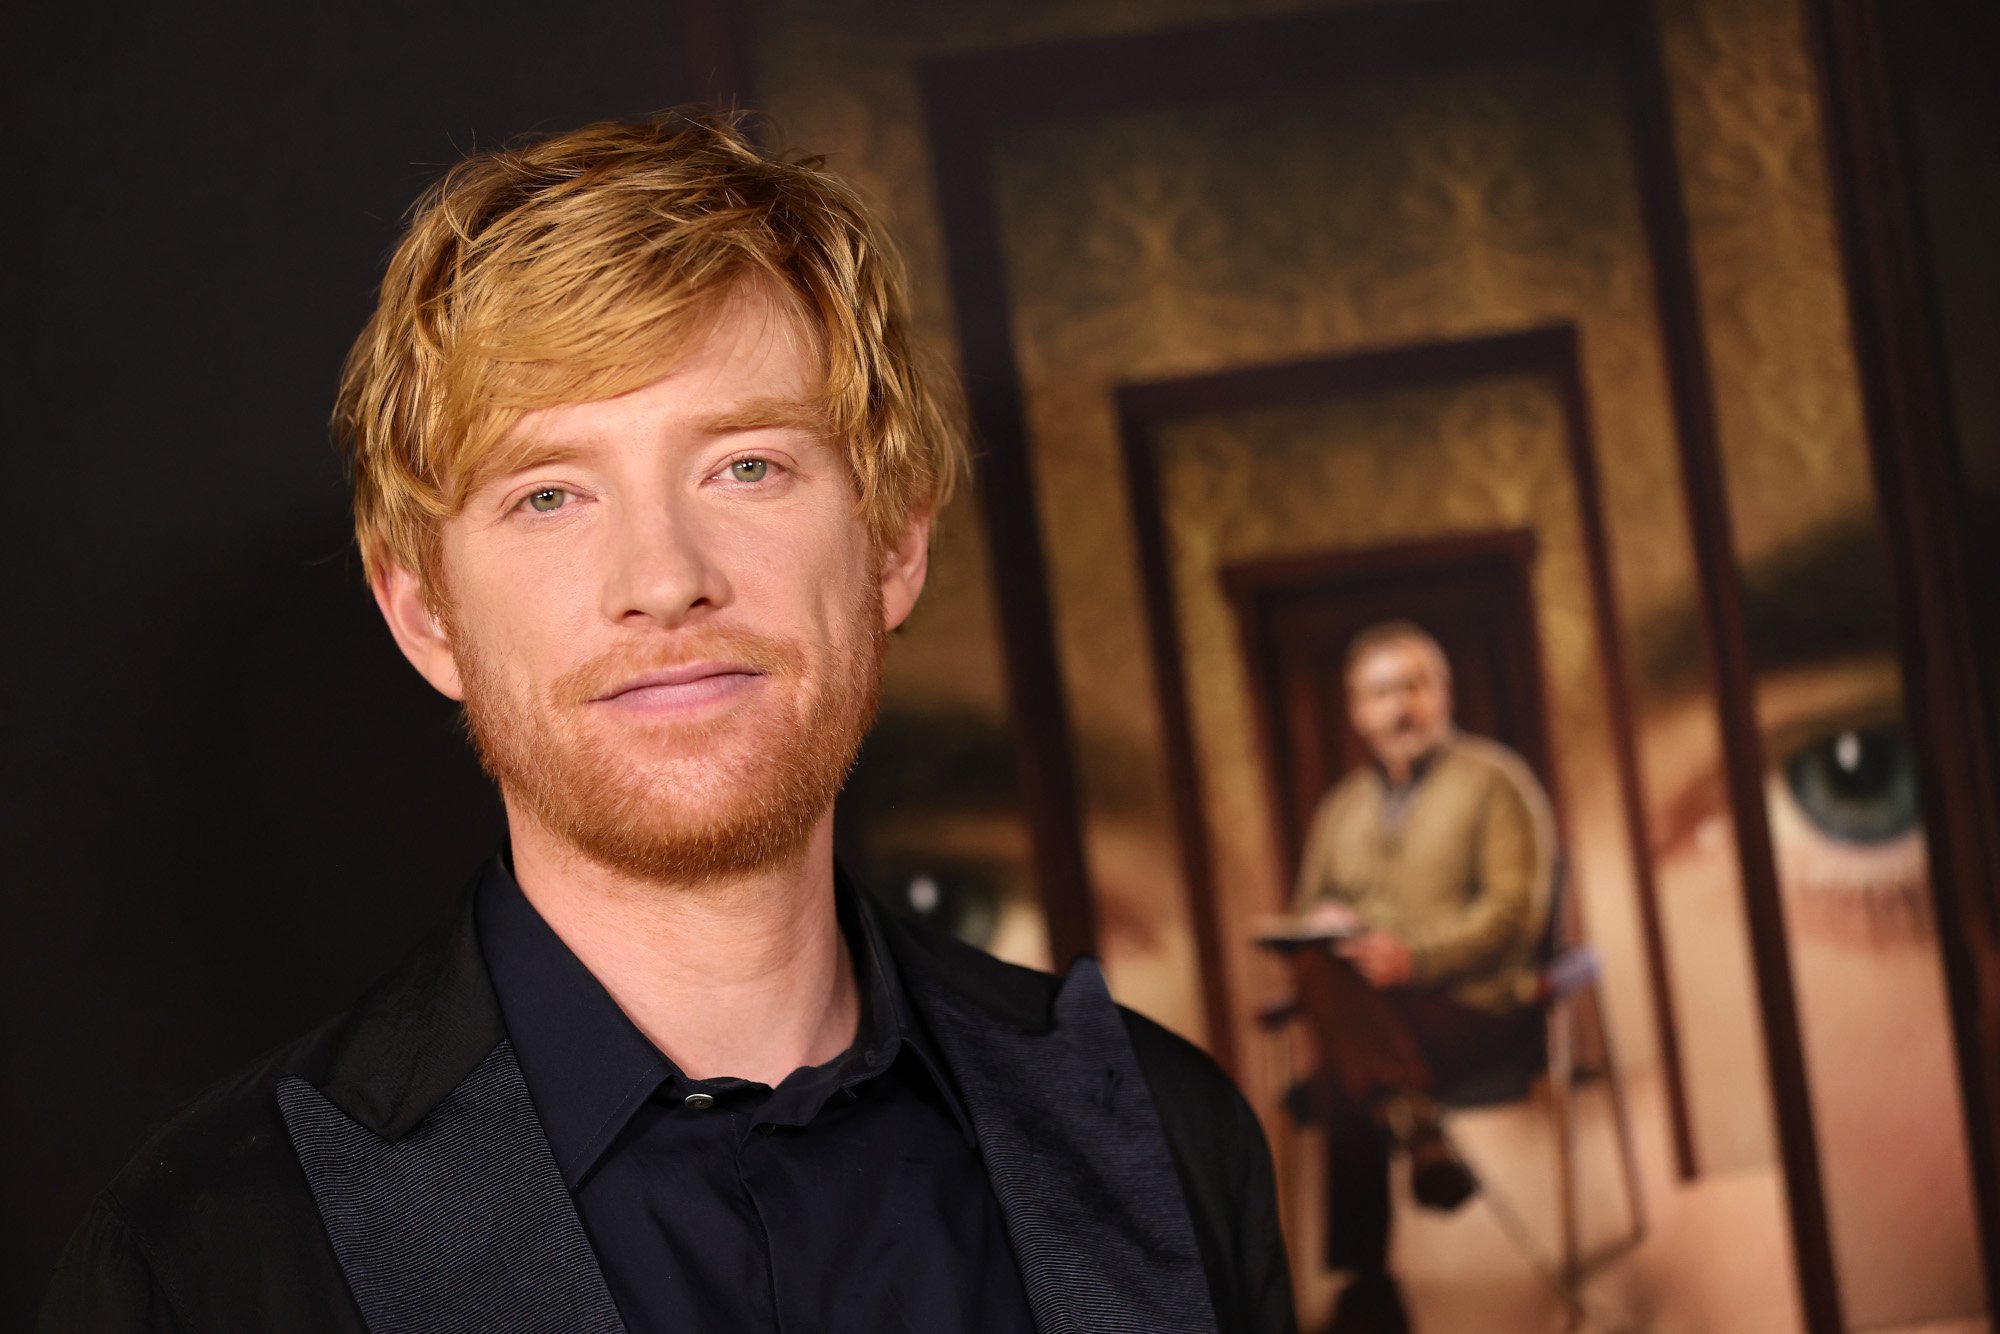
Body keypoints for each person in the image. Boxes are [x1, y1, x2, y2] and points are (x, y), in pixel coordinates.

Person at [38, 111, 1294, 1334]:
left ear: (895, 540)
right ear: (422, 611)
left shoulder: (1163, 1137)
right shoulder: (201, 1260)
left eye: (744, 464)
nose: (664, 575)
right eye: (548, 493)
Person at [1289, 620, 1554, 1331]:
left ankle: (1367, 1290)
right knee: (1320, 965)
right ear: (1356, 710)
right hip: (1381, 1019)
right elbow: (1304, 918)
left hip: (1476, 1011)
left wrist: (1415, 957)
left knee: (1335, 1079)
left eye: (1413, 685)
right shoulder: (1339, 810)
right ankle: (1414, 1125)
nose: (1399, 706)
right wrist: (1332, 922)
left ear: (1443, 693)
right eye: (1381, 692)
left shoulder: (1498, 783)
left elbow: (1514, 915)